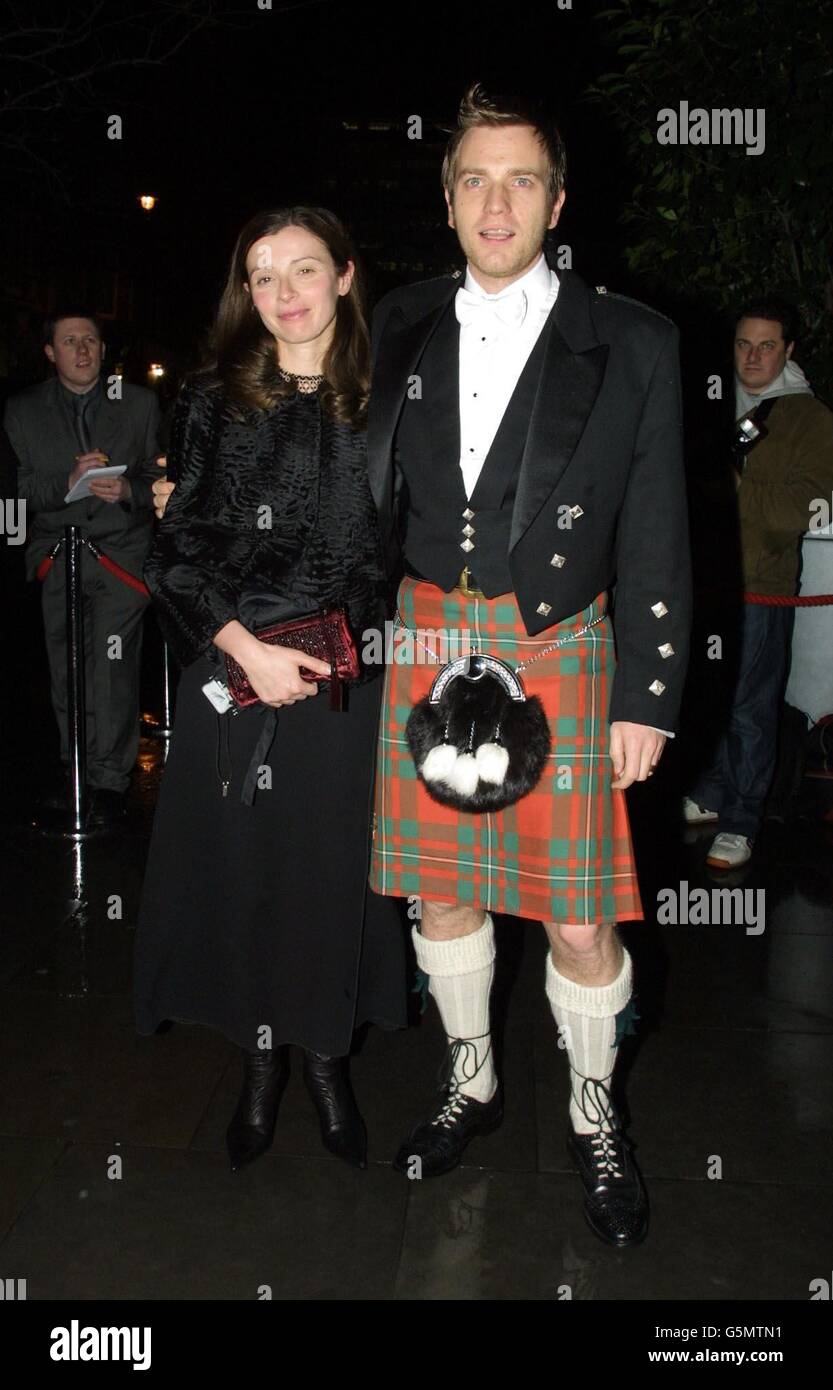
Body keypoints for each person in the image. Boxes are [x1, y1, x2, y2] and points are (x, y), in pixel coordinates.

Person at [365, 85, 692, 1247]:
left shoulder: (633, 337)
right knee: (439, 889)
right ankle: (471, 1079)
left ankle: (594, 1110)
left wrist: (648, 693)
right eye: (471, 178)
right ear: (446, 195)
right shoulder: (393, 320)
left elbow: (655, 519)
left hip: (559, 639)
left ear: (555, 199)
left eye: (518, 180)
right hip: (419, 636)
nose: (493, 201)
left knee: (575, 916)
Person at [133, 207, 406, 1173]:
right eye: (261, 276)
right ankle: (258, 1071)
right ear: (244, 293)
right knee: (245, 877)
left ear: (343, 277)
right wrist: (245, 651)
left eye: (302, 270)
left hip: (349, 684)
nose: (283, 294)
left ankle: (327, 1064)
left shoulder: (394, 402)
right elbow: (175, 554)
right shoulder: (214, 402)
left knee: (330, 880)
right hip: (235, 668)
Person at [683, 300, 833, 868]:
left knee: (750, 704)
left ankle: (744, 817)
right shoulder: (713, 403)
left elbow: (809, 507)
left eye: (767, 345)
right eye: (744, 344)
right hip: (703, 582)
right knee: (710, 695)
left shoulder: (809, 418)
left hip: (761, 584)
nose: (753, 356)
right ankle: (715, 792)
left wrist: (734, 486)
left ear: (788, 351)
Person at [4, 311, 161, 825]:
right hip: (58, 555)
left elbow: (157, 473)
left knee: (112, 670)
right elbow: (17, 491)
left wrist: (129, 491)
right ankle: (76, 772)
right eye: (69, 341)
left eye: (89, 340)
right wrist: (66, 479)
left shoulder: (138, 403)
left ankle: (109, 781)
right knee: (67, 669)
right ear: (50, 352)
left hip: (119, 555)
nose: (82, 349)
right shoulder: (22, 410)